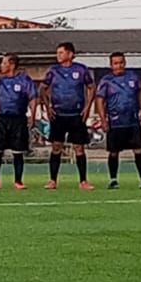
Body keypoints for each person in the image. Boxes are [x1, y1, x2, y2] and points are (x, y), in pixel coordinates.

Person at [41, 42, 95, 191]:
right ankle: (52, 180)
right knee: (56, 147)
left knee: (79, 147)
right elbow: (42, 88)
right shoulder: (53, 70)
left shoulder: (81, 69)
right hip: (58, 115)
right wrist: (48, 107)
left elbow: (91, 87)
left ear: (70, 54)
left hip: (76, 115)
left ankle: (83, 181)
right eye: (57, 53)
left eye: (61, 53)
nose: (58, 55)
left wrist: (87, 107)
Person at [94, 52, 141, 190]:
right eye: (115, 63)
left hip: (132, 121)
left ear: (124, 63)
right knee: (114, 152)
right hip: (115, 122)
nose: (119, 66)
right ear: (111, 65)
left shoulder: (132, 77)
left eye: (121, 63)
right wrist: (103, 119)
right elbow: (100, 100)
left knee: (138, 150)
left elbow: (139, 93)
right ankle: (113, 180)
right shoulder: (106, 81)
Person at [0, 53, 36, 190]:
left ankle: (18, 181)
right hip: (1, 119)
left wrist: (32, 116)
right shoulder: (0, 82)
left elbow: (32, 98)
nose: (1, 66)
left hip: (18, 119)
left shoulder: (24, 80)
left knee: (18, 152)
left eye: (4, 63)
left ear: (12, 64)